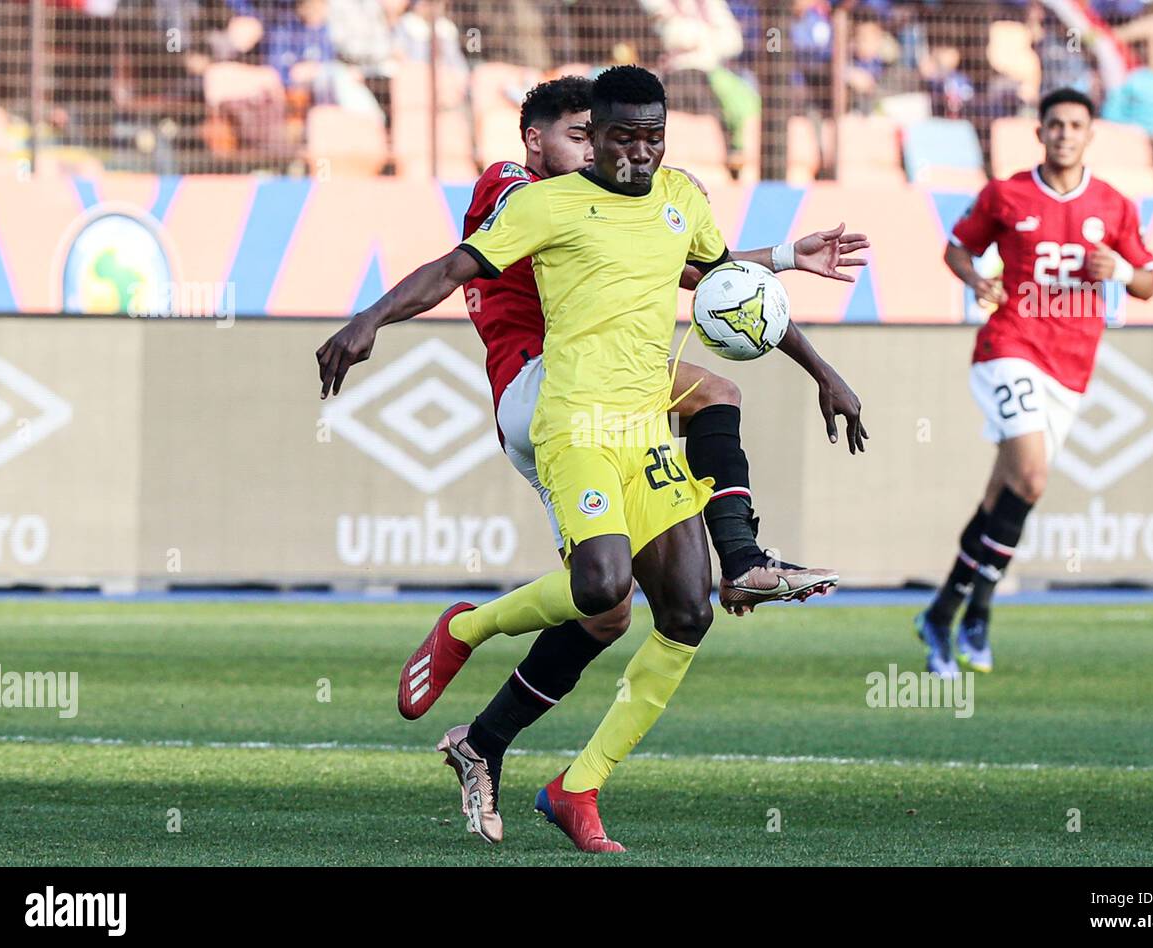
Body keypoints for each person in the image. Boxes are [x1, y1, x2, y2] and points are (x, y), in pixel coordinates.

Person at [316, 66, 869, 851]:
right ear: (578, 138)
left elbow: (706, 272)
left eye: (650, 138)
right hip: (560, 406)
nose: (630, 153)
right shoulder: (534, 197)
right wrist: (368, 319)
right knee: (606, 579)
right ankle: (474, 626)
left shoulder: (674, 197)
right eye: (607, 137)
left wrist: (813, 344)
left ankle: (567, 780)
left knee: (666, 611)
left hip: (639, 419)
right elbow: (456, 266)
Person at [917, 87, 1153, 676]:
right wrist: (977, 282)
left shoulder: (1114, 204)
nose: (1065, 134)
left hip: (1072, 365)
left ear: (1090, 134)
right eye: (1055, 124)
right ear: (1040, 132)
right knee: (1032, 474)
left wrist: (1119, 270)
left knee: (1005, 494)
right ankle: (981, 611)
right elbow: (956, 251)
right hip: (1010, 346)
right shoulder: (1007, 194)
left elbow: (1149, 282)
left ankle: (943, 611)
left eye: (1076, 125)